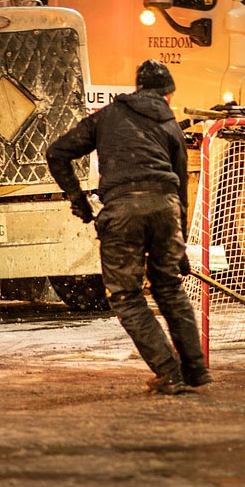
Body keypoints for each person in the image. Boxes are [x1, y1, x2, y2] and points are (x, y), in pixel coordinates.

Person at [45, 60, 210, 395]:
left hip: (122, 211)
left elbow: (57, 152)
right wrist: (180, 244)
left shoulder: (106, 117)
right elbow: (179, 188)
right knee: (170, 290)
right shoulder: (171, 126)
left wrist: (78, 199)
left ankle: (170, 371)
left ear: (138, 88)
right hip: (165, 208)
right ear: (168, 93)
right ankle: (195, 370)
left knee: (127, 296)